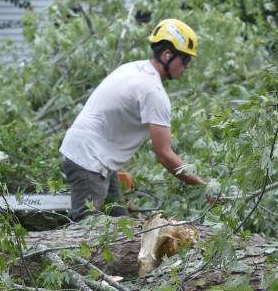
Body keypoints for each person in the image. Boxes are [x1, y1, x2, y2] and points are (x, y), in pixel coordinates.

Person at [59, 18, 207, 220]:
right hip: (89, 161)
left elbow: (113, 123)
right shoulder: (153, 92)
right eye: (186, 59)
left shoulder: (133, 68)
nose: (187, 66)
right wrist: (202, 186)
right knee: (86, 230)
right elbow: (164, 154)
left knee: (123, 226)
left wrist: (114, 169)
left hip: (92, 157)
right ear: (167, 55)